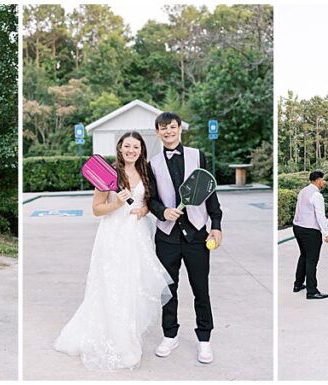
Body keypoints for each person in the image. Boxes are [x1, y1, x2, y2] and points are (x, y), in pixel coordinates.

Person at [54, 132, 172, 370]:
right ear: (120, 148)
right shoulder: (108, 173)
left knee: (133, 285)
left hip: (137, 235)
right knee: (113, 285)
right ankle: (116, 340)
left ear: (141, 149)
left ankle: (129, 334)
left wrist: (145, 209)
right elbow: (97, 209)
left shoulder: (146, 172)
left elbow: (149, 200)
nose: (131, 150)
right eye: (127, 146)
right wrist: (117, 203)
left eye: (136, 146)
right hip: (112, 235)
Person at [146, 112, 223, 364]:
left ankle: (204, 339)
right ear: (157, 132)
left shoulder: (197, 155)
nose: (168, 131)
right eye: (163, 128)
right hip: (167, 235)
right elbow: (151, 198)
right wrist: (162, 211)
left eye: (172, 127)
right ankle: (170, 335)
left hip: (197, 234)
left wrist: (216, 224)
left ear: (180, 129)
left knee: (201, 288)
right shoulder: (152, 163)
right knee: (168, 290)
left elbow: (209, 190)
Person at [292, 171, 328, 300]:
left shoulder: (303, 191)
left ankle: (298, 284)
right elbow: (320, 215)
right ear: (317, 180)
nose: (323, 182)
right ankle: (312, 291)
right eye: (323, 179)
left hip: (297, 227)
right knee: (312, 260)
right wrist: (326, 233)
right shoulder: (316, 195)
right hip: (310, 230)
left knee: (303, 255)